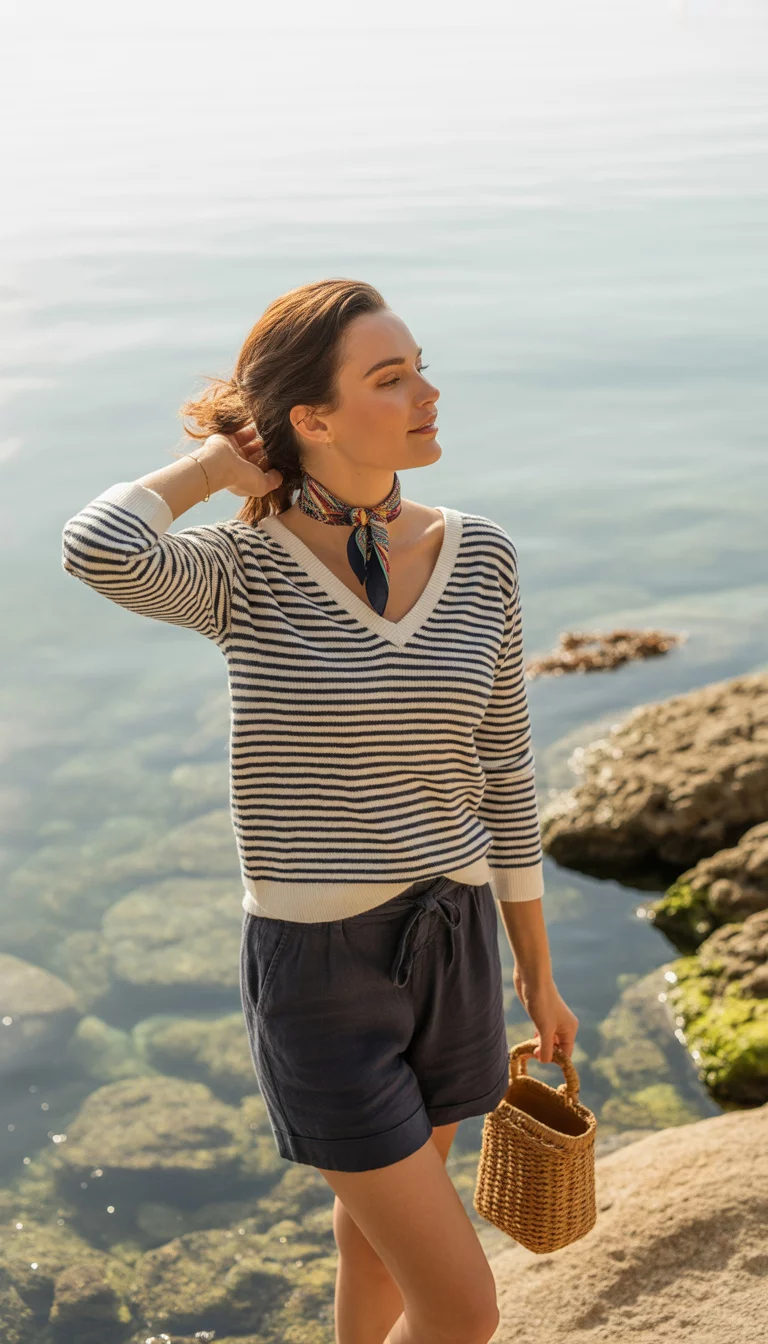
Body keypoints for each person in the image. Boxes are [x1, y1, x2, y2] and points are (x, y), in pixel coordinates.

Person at [62, 277, 579, 1344]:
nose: (428, 394)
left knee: (369, 1235)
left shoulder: (481, 554)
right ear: (311, 418)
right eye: (391, 380)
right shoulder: (242, 573)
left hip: (458, 942)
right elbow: (98, 547)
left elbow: (505, 766)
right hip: (321, 974)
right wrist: (216, 465)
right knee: (463, 1307)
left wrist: (536, 966)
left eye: (419, 367)